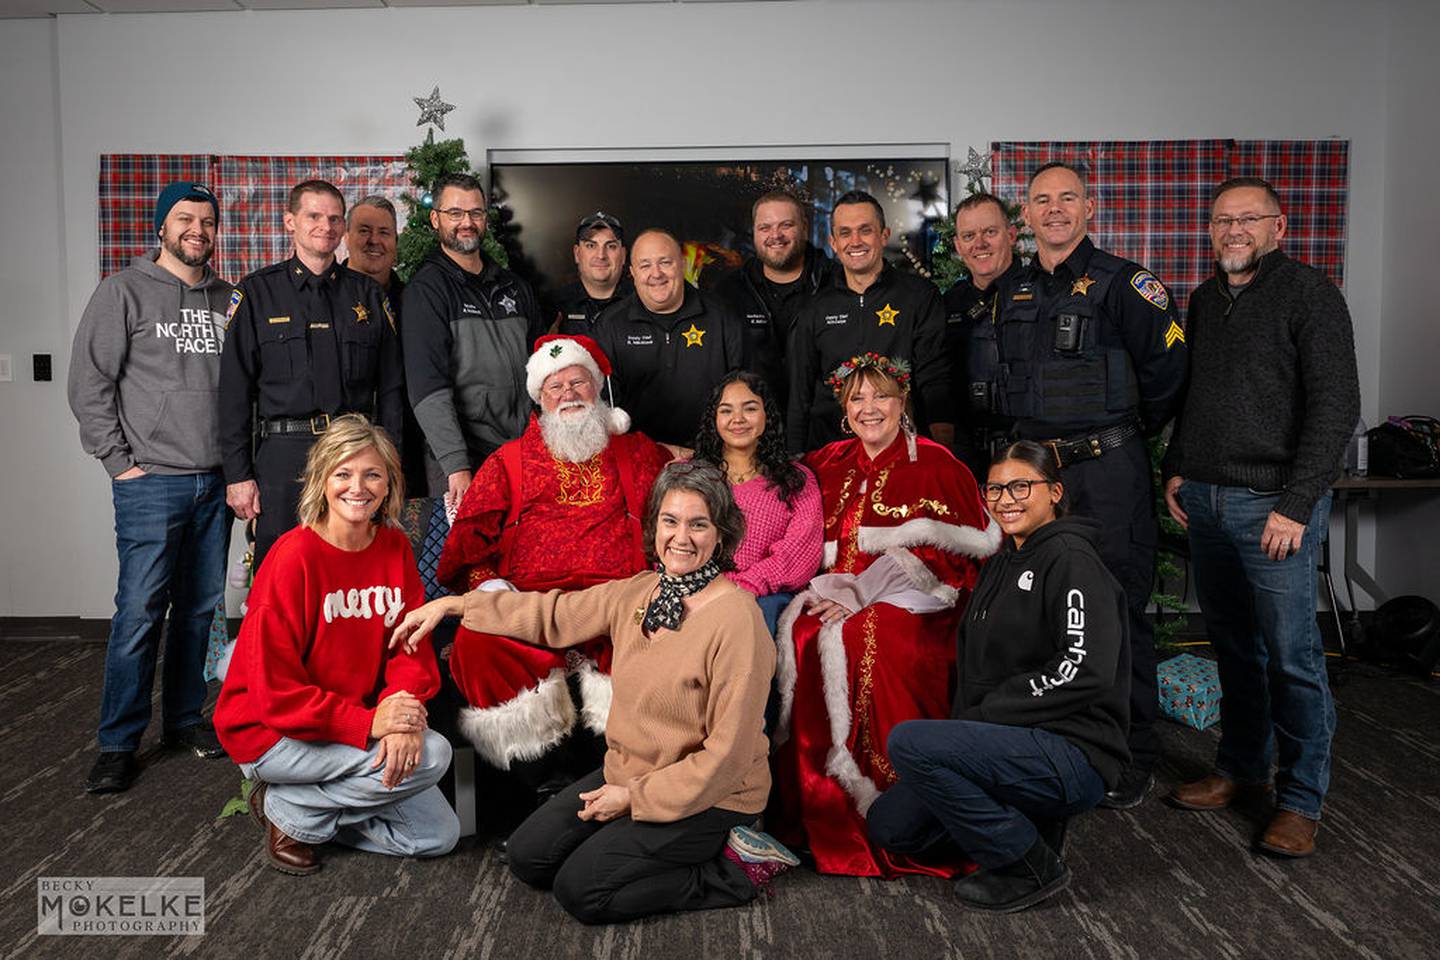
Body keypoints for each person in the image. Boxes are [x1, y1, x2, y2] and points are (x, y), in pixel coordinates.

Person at [394, 461, 796, 925]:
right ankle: (638, 845)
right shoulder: (642, 592)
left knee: (582, 892)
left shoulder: (737, 620)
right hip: (628, 770)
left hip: (711, 796)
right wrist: (455, 604)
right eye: (670, 521)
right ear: (654, 527)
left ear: (722, 534)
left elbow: (726, 757)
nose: (681, 537)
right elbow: (554, 613)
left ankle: (736, 868)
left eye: (698, 524)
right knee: (529, 858)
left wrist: (632, 800)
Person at [978, 161, 1188, 808]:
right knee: (1039, 612)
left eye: (1068, 198)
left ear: (1090, 207)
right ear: (1027, 214)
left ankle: (1131, 757)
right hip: (1035, 479)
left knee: (1118, 612)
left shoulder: (1128, 285)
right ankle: (1057, 745)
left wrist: (1117, 434)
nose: (1055, 209)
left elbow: (1170, 373)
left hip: (1106, 472)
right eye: (1042, 200)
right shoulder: (1011, 290)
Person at [1162, 177, 1360, 858]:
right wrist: (1177, 467)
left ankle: (1301, 798)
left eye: (1249, 219)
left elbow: (1336, 406)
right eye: (1223, 220)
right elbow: (1199, 396)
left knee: (1292, 656)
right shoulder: (1205, 298)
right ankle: (1241, 768)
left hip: (1273, 508)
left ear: (1281, 226)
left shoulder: (1310, 294)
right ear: (1210, 229)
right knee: (1235, 649)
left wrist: (1297, 504)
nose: (1234, 230)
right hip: (1210, 503)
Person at [867, 441, 1131, 912]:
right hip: (1008, 739)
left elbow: (1084, 668)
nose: (1006, 499)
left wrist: (993, 713)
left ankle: (1030, 864)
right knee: (892, 827)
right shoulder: (1002, 560)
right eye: (995, 489)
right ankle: (1025, 820)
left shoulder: (1073, 559)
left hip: (1072, 748)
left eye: (1020, 486)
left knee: (909, 743)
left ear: (1054, 492)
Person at [771, 354, 998, 877]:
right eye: (857, 399)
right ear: (844, 410)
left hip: (919, 603)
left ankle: (895, 807)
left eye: (880, 396)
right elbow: (796, 540)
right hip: (829, 593)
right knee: (805, 632)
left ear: (902, 403)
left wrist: (865, 593)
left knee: (877, 633)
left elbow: (959, 567)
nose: (869, 408)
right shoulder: (824, 463)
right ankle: (820, 814)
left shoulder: (938, 464)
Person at [214, 415, 460, 875]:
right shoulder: (293, 558)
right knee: (436, 755)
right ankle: (291, 810)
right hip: (272, 731)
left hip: (350, 725)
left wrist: (402, 716)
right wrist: (371, 722)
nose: (358, 487)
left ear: (389, 484)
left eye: (372, 474)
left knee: (435, 836)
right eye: (343, 474)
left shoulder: (393, 549)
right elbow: (275, 695)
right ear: (322, 480)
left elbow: (408, 648)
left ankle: (296, 810)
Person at [436, 335, 673, 804]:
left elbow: (679, 524)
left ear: (598, 388)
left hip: (619, 600)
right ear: (540, 400)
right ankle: (542, 784)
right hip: (531, 605)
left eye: (578, 381)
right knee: (478, 642)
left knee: (657, 636)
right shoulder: (507, 462)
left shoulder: (641, 453)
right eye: (554, 386)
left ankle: (619, 777)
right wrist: (491, 590)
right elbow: (466, 548)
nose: (567, 393)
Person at [68, 181, 233, 793]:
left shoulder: (229, 299)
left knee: (199, 610)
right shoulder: (122, 292)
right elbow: (89, 385)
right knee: (139, 613)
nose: (198, 229)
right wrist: (120, 465)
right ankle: (117, 742)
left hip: (215, 483)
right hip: (151, 482)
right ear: (162, 227)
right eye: (185, 219)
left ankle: (186, 719)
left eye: (207, 220)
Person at [220, 179, 403, 573]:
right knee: (280, 569)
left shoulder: (368, 296)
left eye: (335, 218)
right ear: (290, 221)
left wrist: (388, 466)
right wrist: (238, 475)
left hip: (352, 451)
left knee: (353, 567)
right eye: (314, 216)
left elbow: (390, 390)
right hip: (284, 455)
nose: (326, 226)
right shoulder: (257, 294)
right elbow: (234, 392)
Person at [402, 173, 547, 511]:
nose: (466, 222)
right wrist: (455, 464)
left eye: (476, 213)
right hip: (464, 458)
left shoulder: (514, 286)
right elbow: (427, 388)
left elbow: (543, 369)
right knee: (466, 558)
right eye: (455, 213)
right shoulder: (427, 292)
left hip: (520, 452)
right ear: (435, 218)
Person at [786, 190, 952, 452]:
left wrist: (942, 449)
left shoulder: (919, 296)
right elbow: (800, 393)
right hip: (830, 451)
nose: (855, 241)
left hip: (903, 449)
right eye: (845, 233)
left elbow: (935, 377)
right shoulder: (815, 307)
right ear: (833, 242)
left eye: (865, 230)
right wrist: (795, 459)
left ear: (884, 235)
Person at [692, 369, 823, 633]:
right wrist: (707, 587)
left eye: (749, 409)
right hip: (696, 591)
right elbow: (670, 540)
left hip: (767, 599)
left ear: (767, 416)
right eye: (726, 411)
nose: (737, 419)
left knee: (749, 621)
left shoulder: (797, 479)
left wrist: (742, 586)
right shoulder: (690, 475)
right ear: (714, 419)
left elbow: (801, 552)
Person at [592, 228, 746, 446]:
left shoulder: (723, 316)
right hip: (640, 456)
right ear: (633, 273)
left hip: (712, 456)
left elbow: (747, 392)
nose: (656, 274)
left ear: (682, 264)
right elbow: (603, 405)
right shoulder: (609, 325)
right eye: (645, 265)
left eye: (665, 262)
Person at [712, 189, 835, 410]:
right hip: (755, 428)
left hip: (825, 427)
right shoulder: (729, 292)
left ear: (804, 228)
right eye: (765, 228)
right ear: (755, 232)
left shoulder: (836, 283)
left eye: (786, 225)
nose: (775, 235)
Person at [343, 194, 427, 505]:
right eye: (364, 230)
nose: (374, 241)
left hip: (411, 454)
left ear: (396, 240)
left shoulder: (416, 301)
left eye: (384, 233)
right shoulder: (326, 298)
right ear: (347, 236)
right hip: (347, 458)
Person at [943, 193, 1020, 475]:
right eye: (968, 235)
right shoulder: (948, 303)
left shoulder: (1040, 293)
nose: (979, 244)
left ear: (1011, 235)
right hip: (965, 456)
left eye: (990, 232)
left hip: (1028, 451)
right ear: (958, 245)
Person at [548, 211, 632, 335]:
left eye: (611, 246)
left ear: (623, 255)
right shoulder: (553, 306)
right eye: (591, 245)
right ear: (577, 254)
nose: (601, 255)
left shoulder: (641, 303)